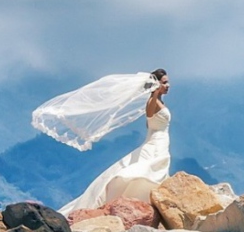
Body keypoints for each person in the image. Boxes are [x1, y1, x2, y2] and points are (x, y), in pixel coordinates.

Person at [53, 69, 171, 215]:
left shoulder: (161, 101)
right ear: (157, 84)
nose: (168, 85)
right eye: (165, 83)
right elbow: (149, 114)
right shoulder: (153, 101)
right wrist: (154, 94)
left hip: (160, 138)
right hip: (156, 140)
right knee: (147, 167)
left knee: (156, 167)